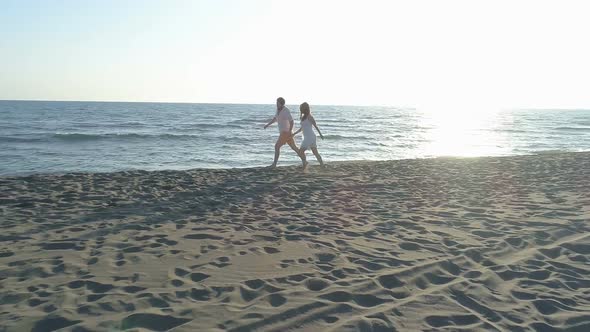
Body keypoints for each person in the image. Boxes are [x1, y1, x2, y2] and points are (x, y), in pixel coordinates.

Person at [264, 97, 306, 168]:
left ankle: (274, 164)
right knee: (294, 148)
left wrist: (290, 131)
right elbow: (275, 119)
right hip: (284, 133)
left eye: (277, 103)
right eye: (276, 102)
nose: (276, 104)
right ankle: (304, 161)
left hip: (285, 132)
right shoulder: (278, 110)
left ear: (281, 103)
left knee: (277, 146)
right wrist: (268, 124)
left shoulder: (286, 110)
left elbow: (292, 121)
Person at [291, 102, 324, 168]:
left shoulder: (309, 116)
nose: (300, 110)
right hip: (307, 137)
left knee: (301, 151)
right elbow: (302, 128)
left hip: (310, 137)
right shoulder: (303, 117)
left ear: (304, 109)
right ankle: (322, 165)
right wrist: (294, 133)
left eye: (301, 108)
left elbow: (315, 126)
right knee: (315, 152)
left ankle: (305, 163)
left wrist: (320, 134)